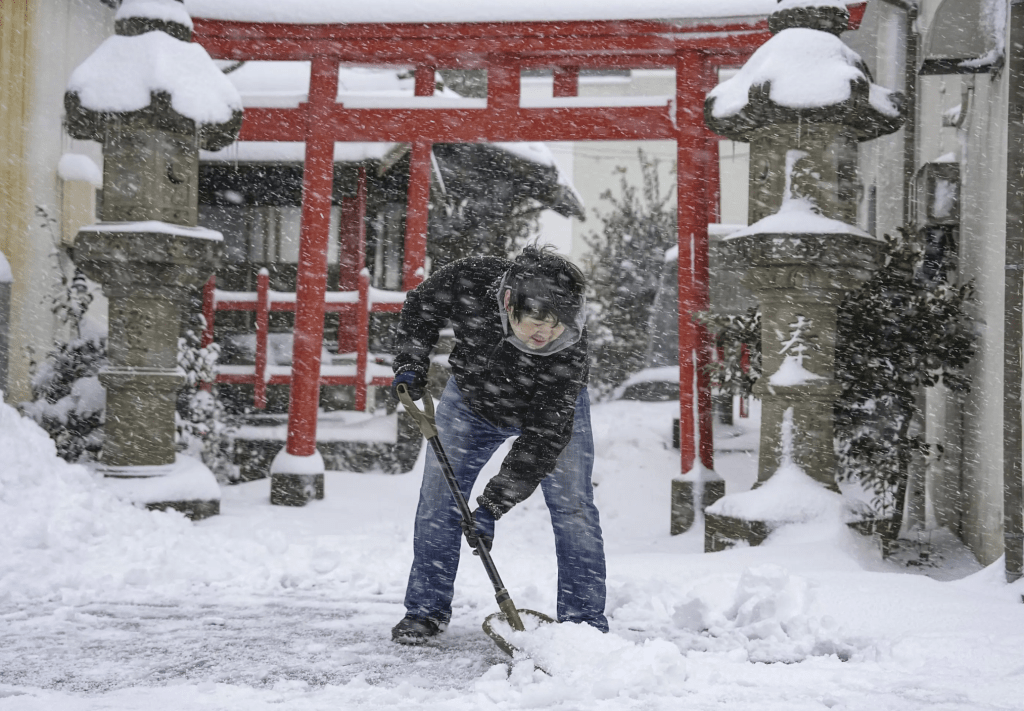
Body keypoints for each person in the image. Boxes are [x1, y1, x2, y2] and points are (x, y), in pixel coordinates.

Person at [390, 245, 607, 644]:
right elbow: (421, 307)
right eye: (536, 324)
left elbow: (544, 438)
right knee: (439, 501)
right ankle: (425, 611)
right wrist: (411, 361)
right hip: (471, 402)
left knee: (573, 507)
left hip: (547, 411)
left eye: (557, 327)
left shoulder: (569, 353)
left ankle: (584, 624)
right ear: (509, 303)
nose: (546, 335)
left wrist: (492, 505)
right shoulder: (470, 277)